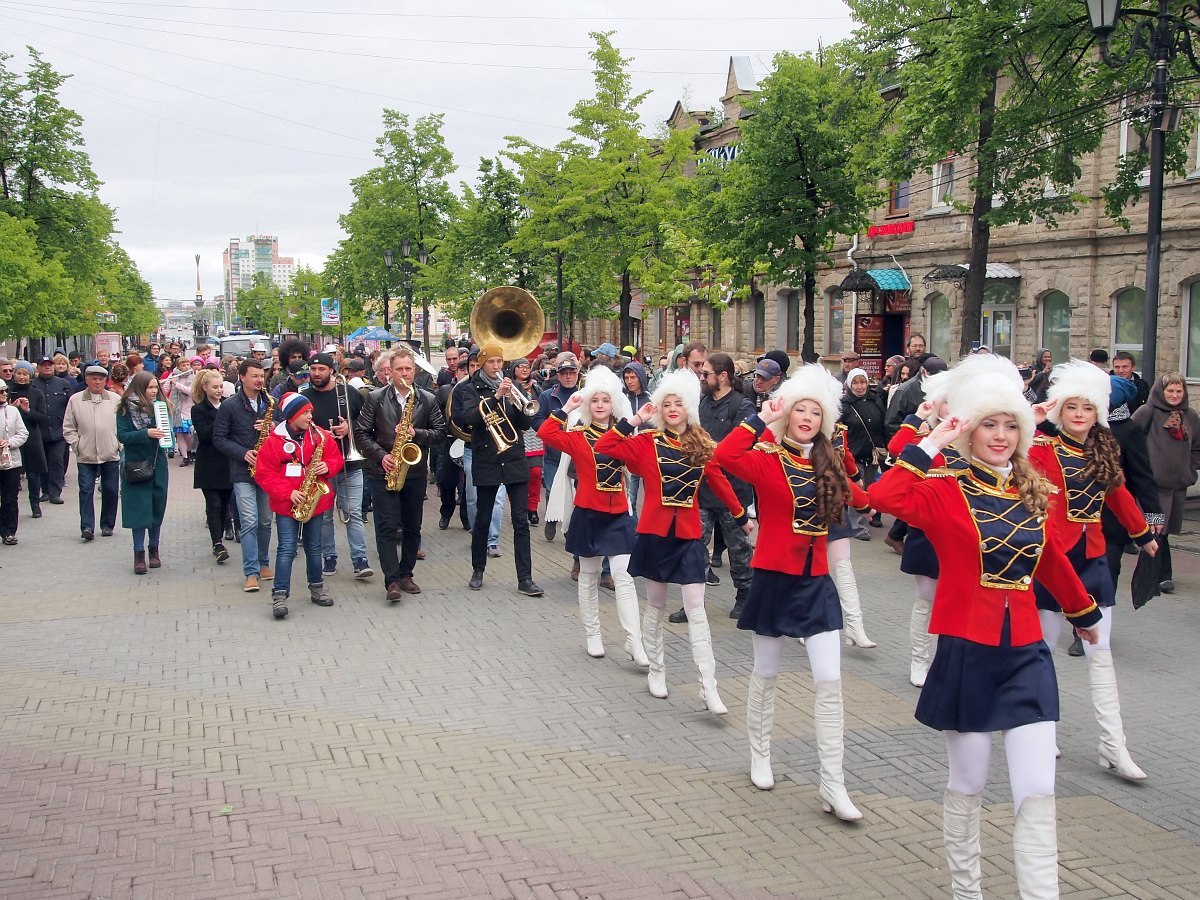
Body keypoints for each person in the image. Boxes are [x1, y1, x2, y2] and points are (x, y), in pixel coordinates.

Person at [870, 354, 1103, 900]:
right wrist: (933, 438)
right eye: (988, 424)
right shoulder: (944, 487)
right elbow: (883, 498)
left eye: (1010, 425)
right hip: (967, 649)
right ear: (969, 431)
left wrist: (1083, 612)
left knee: (1038, 791)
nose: (1000, 436)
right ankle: (967, 892)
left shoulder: (1032, 487)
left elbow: (1047, 559)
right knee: (969, 783)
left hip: (1026, 652)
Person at [715, 366, 870, 818]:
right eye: (799, 409)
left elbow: (863, 498)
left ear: (825, 419)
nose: (806, 416)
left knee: (830, 682)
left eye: (814, 410)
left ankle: (833, 784)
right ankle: (759, 754)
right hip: (773, 579)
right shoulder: (767, 457)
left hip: (817, 583)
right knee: (766, 672)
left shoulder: (831, 462)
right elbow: (725, 456)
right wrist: (761, 417)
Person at [1029, 361, 1157, 783]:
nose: (1080, 414)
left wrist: (1143, 535)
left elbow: (1119, 494)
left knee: (1099, 653)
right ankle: (1041, 730)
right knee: (1042, 649)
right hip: (1054, 559)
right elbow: (1010, 452)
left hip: (1094, 558)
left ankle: (1113, 744)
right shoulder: (1042, 448)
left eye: (1088, 407)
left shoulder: (1105, 448)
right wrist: (1033, 419)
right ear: (1060, 411)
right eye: (1072, 407)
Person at [595, 368, 749, 714]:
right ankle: (657, 670)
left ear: (690, 407)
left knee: (697, 608)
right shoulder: (647, 443)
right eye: (667, 403)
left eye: (680, 403)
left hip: (690, 535)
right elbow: (605, 445)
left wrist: (740, 515)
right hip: (655, 534)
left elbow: (719, 482)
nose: (673, 408)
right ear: (660, 409)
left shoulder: (701, 444)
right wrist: (634, 419)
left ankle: (708, 686)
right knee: (657, 605)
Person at [540, 366, 647, 665]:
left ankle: (634, 641)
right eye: (595, 400)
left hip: (617, 515)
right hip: (588, 512)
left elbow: (638, 467)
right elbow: (545, 433)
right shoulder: (577, 436)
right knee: (587, 575)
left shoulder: (623, 435)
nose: (600, 405)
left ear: (614, 404)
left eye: (605, 400)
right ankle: (592, 634)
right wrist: (566, 408)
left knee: (624, 578)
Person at [667, 352, 756, 623]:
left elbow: (743, 444)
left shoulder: (743, 406)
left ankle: (745, 597)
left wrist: (711, 450)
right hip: (702, 490)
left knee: (739, 548)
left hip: (733, 491)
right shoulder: (701, 403)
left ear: (724, 376)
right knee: (694, 547)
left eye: (706, 374)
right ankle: (694, 602)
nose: (701, 377)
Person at [355, 346, 445, 601]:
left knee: (412, 526)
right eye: (399, 369)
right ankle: (392, 579)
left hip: (414, 471)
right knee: (386, 525)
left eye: (408, 368)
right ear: (389, 373)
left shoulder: (427, 399)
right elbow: (361, 433)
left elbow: (440, 433)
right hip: (384, 470)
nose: (404, 373)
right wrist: (381, 456)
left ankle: (406, 573)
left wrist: (417, 433)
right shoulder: (376, 398)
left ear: (414, 371)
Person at [453, 343, 543, 597]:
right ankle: (478, 569)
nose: (496, 367)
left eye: (499, 362)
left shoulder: (511, 387)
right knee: (483, 518)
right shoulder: (470, 389)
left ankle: (525, 578)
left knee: (520, 522)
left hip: (514, 456)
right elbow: (469, 418)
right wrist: (496, 398)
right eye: (491, 362)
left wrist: (523, 401)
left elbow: (526, 423)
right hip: (487, 458)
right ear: (482, 364)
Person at [254, 392, 345, 619]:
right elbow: (264, 473)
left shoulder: (320, 435)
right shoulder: (274, 441)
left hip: (315, 500)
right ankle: (280, 595)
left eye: (310, 411)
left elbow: (336, 458)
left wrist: (328, 466)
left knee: (315, 547)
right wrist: (288, 492)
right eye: (305, 412)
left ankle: (317, 588)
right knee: (286, 548)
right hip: (288, 503)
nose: (309, 416)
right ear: (292, 415)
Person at [302, 353, 372, 579]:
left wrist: (348, 429)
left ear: (331, 370)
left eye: (321, 369)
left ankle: (360, 560)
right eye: (313, 370)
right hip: (320, 466)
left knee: (353, 512)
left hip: (349, 463)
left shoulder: (348, 392)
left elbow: (366, 423)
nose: (316, 374)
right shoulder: (304, 396)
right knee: (324, 515)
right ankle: (329, 556)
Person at [1132, 372, 1200, 593]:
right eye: (1170, 390)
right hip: (1152, 490)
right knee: (1154, 529)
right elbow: (1129, 440)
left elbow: (1197, 446)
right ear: (1161, 391)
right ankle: (1161, 575)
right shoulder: (1147, 412)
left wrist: (1190, 470)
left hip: (1177, 487)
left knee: (1165, 530)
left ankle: (1154, 573)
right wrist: (1140, 470)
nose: (1174, 395)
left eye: (1179, 391)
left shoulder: (1190, 415)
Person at [214, 359, 275, 593]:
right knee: (249, 521)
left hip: (267, 469)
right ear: (242, 377)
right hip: (242, 471)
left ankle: (264, 563)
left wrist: (271, 429)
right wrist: (243, 453)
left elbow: (283, 431)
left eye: (262, 376)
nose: (260, 380)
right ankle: (250, 571)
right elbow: (219, 438)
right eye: (255, 376)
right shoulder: (229, 406)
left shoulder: (270, 402)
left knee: (265, 521)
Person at [115, 372, 171, 574]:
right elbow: (122, 435)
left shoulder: (160, 407)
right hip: (135, 464)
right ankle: (138, 553)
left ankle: (153, 550)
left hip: (158, 463)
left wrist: (166, 435)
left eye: (156, 387)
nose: (154, 391)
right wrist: (145, 433)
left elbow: (167, 436)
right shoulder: (124, 409)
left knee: (157, 506)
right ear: (139, 388)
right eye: (150, 388)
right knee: (138, 510)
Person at [62, 365, 122, 541]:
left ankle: (107, 525)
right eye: (93, 378)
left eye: (101, 379)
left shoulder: (115, 399)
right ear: (86, 380)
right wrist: (77, 444)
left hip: (110, 453)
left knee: (111, 490)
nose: (97, 382)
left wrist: (118, 444)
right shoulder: (75, 400)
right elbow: (68, 427)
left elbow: (123, 425)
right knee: (86, 490)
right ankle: (87, 526)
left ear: (105, 381)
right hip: (85, 455)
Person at [534, 353, 582, 542]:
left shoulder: (585, 395)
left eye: (572, 373)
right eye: (564, 374)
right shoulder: (547, 396)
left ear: (577, 373)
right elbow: (536, 420)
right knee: (553, 488)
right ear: (558, 375)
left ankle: (571, 527)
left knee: (575, 492)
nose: (568, 377)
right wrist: (553, 429)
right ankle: (551, 518)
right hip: (555, 453)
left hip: (577, 453)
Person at [191, 369, 234, 565]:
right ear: (205, 387)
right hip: (208, 463)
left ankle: (225, 530)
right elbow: (205, 435)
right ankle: (217, 543)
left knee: (225, 503)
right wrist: (222, 417)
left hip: (227, 462)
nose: (219, 390)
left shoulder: (228, 405)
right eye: (215, 387)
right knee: (214, 504)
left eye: (220, 386)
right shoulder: (198, 409)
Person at [840, 367, 887, 535]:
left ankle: (866, 517)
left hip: (872, 453)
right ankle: (857, 526)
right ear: (849, 384)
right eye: (855, 383)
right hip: (853, 453)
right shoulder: (844, 405)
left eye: (862, 382)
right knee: (857, 489)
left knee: (869, 487)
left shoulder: (875, 401)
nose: (859, 387)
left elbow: (883, 424)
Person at [9, 362, 48, 519]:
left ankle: (35, 505)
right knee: (12, 475)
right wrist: (11, 408)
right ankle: (11, 506)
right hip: (11, 438)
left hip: (32, 437)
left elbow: (43, 418)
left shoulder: (36, 393)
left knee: (33, 475)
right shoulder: (8, 392)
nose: (22, 376)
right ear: (14, 375)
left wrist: (28, 410)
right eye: (19, 373)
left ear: (30, 375)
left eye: (25, 373)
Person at [35, 355, 72, 504]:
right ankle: (45, 490)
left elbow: (70, 406)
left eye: (49, 364)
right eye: (44, 365)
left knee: (57, 461)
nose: (47, 367)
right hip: (39, 430)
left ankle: (55, 492)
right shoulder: (33, 385)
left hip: (58, 430)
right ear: (38, 368)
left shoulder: (63, 384)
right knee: (42, 462)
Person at [0, 378, 29, 545]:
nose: (4, 394)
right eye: (1, 392)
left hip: (11, 461)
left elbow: (23, 433)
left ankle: (9, 531)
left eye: (5, 391)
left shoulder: (12, 412)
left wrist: (9, 442)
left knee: (10, 498)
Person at [166, 356, 201, 466]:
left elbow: (190, 391)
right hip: (176, 410)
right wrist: (165, 383)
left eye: (187, 365)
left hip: (188, 410)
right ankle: (185, 457)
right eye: (183, 365)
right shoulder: (174, 375)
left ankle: (190, 451)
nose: (186, 367)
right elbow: (165, 390)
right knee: (179, 434)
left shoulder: (193, 377)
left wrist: (176, 384)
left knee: (188, 434)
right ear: (178, 367)